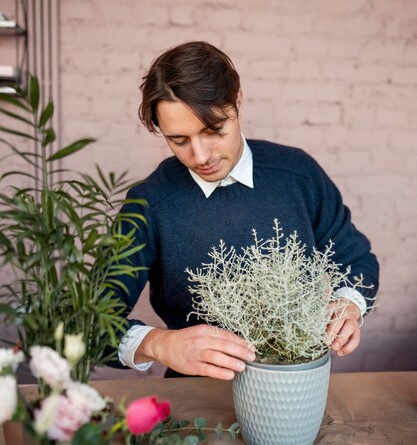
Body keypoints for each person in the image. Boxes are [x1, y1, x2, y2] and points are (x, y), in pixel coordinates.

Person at [113, 41, 379, 379]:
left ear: (237, 101)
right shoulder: (149, 203)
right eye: (179, 140)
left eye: (214, 131)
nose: (200, 156)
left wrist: (349, 304)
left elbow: (357, 260)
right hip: (194, 401)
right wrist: (158, 343)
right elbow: (88, 322)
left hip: (295, 387)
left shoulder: (297, 174)